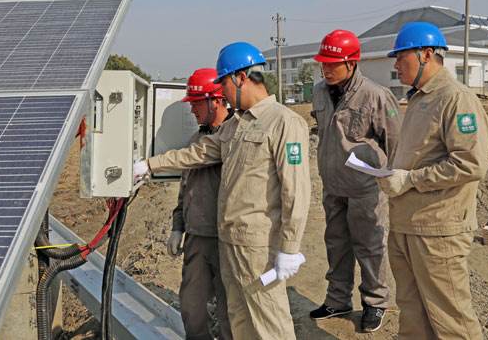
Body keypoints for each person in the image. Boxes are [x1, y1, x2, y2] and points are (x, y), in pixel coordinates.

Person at [134, 42, 311, 339]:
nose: (223, 94)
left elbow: (296, 192)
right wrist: (149, 165)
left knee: (269, 324)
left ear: (240, 77)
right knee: (239, 322)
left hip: (257, 246)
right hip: (229, 242)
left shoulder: (284, 122)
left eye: (224, 84)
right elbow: (195, 154)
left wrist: (290, 248)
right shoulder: (236, 126)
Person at [377, 21, 488, 339]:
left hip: (438, 231)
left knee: (451, 322)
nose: (396, 64)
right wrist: (390, 176)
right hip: (406, 225)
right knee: (413, 318)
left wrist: (410, 179)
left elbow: (471, 163)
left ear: (426, 54)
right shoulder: (417, 100)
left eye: (402, 57)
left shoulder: (456, 99)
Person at [310, 30, 401, 332]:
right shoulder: (319, 92)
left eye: (333, 64)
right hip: (333, 185)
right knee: (336, 244)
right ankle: (338, 300)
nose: (326, 69)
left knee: (369, 246)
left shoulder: (375, 95)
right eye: (323, 63)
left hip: (365, 188)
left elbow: (395, 141)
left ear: (351, 63)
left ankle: (375, 302)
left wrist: (393, 181)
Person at [168, 68, 232, 340]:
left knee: (232, 311)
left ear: (215, 100)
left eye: (196, 103)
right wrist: (178, 226)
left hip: (228, 239)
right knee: (192, 307)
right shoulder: (195, 141)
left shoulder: (235, 138)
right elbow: (186, 190)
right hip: (197, 239)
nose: (192, 110)